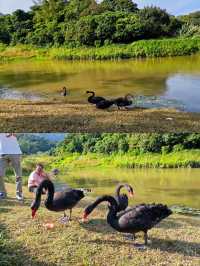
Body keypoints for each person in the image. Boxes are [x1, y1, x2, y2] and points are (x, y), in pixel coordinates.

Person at [0, 133, 23, 201]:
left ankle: (19, 194)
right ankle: (2, 193)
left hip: (15, 152)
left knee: (18, 175)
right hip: (2, 153)